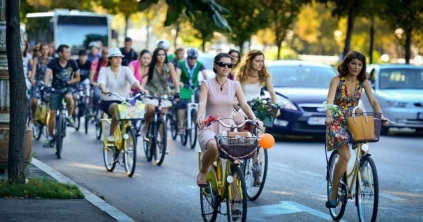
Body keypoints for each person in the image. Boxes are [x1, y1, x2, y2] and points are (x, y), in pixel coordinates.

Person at [325, 51, 390, 208]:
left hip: (354, 117)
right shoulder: (336, 80)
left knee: (364, 148)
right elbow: (330, 100)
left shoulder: (364, 82)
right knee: (346, 156)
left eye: (360, 65)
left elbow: (373, 101)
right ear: (347, 64)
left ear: (363, 67)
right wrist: (329, 116)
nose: (356, 67)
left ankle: (363, 171)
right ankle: (334, 191)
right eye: (353, 63)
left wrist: (380, 116)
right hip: (337, 119)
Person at [196, 53, 263, 188]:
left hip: (228, 126)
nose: (226, 67)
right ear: (215, 66)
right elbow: (202, 103)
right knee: (214, 147)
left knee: (236, 161)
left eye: (229, 65)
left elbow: (243, 105)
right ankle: (203, 172)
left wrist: (255, 119)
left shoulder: (235, 85)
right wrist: (199, 116)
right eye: (222, 64)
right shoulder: (206, 84)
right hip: (209, 125)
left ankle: (235, 204)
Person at [97, 47, 146, 143]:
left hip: (124, 100)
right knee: (117, 109)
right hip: (108, 100)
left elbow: (133, 81)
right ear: (110, 59)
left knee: (132, 110)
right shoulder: (104, 70)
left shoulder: (125, 69)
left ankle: (128, 133)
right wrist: (103, 88)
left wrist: (141, 89)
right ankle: (111, 135)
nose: (119, 60)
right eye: (115, 57)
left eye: (120, 57)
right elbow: (101, 82)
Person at [43, 44, 81, 148]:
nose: (69, 54)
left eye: (69, 52)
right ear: (60, 53)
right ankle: (50, 137)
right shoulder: (53, 62)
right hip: (56, 88)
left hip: (67, 87)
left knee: (69, 98)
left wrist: (68, 82)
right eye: (67, 52)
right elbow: (47, 74)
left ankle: (69, 116)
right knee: (52, 113)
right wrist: (46, 86)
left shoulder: (72, 62)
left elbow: (78, 78)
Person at [140, 47, 180, 136]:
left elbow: (175, 80)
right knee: (151, 108)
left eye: (163, 55)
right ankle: (146, 125)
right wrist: (142, 90)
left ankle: (163, 145)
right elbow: (144, 81)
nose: (161, 57)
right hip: (150, 92)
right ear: (155, 56)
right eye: (159, 55)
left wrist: (177, 93)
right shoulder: (150, 66)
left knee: (162, 117)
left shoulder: (169, 66)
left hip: (164, 94)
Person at [233, 49, 280, 123]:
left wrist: (276, 107)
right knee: (240, 122)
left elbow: (272, 93)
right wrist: (234, 103)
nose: (261, 64)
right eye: (257, 61)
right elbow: (233, 92)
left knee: (258, 126)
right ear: (249, 62)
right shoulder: (240, 75)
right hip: (241, 105)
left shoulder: (264, 75)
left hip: (257, 106)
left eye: (262, 61)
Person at [175, 48, 208, 135]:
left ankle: (196, 119)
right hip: (184, 87)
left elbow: (205, 76)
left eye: (194, 58)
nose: (192, 60)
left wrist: (206, 85)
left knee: (199, 102)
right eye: (190, 58)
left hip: (194, 87)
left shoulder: (200, 64)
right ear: (187, 57)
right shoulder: (181, 63)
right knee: (181, 104)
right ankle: (181, 127)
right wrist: (178, 83)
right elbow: (177, 76)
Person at [29, 43, 53, 128]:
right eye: (43, 49)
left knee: (50, 101)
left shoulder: (51, 60)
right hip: (38, 82)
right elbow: (33, 71)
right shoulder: (36, 59)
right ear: (40, 50)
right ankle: (33, 117)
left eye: (46, 49)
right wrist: (32, 79)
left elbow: (52, 73)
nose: (45, 51)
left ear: (49, 50)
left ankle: (50, 118)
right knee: (35, 100)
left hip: (48, 83)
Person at [89, 47, 109, 114]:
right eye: (104, 53)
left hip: (109, 83)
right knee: (97, 95)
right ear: (101, 54)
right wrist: (92, 81)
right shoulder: (97, 61)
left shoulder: (112, 61)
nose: (106, 55)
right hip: (97, 83)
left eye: (107, 54)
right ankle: (94, 109)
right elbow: (93, 72)